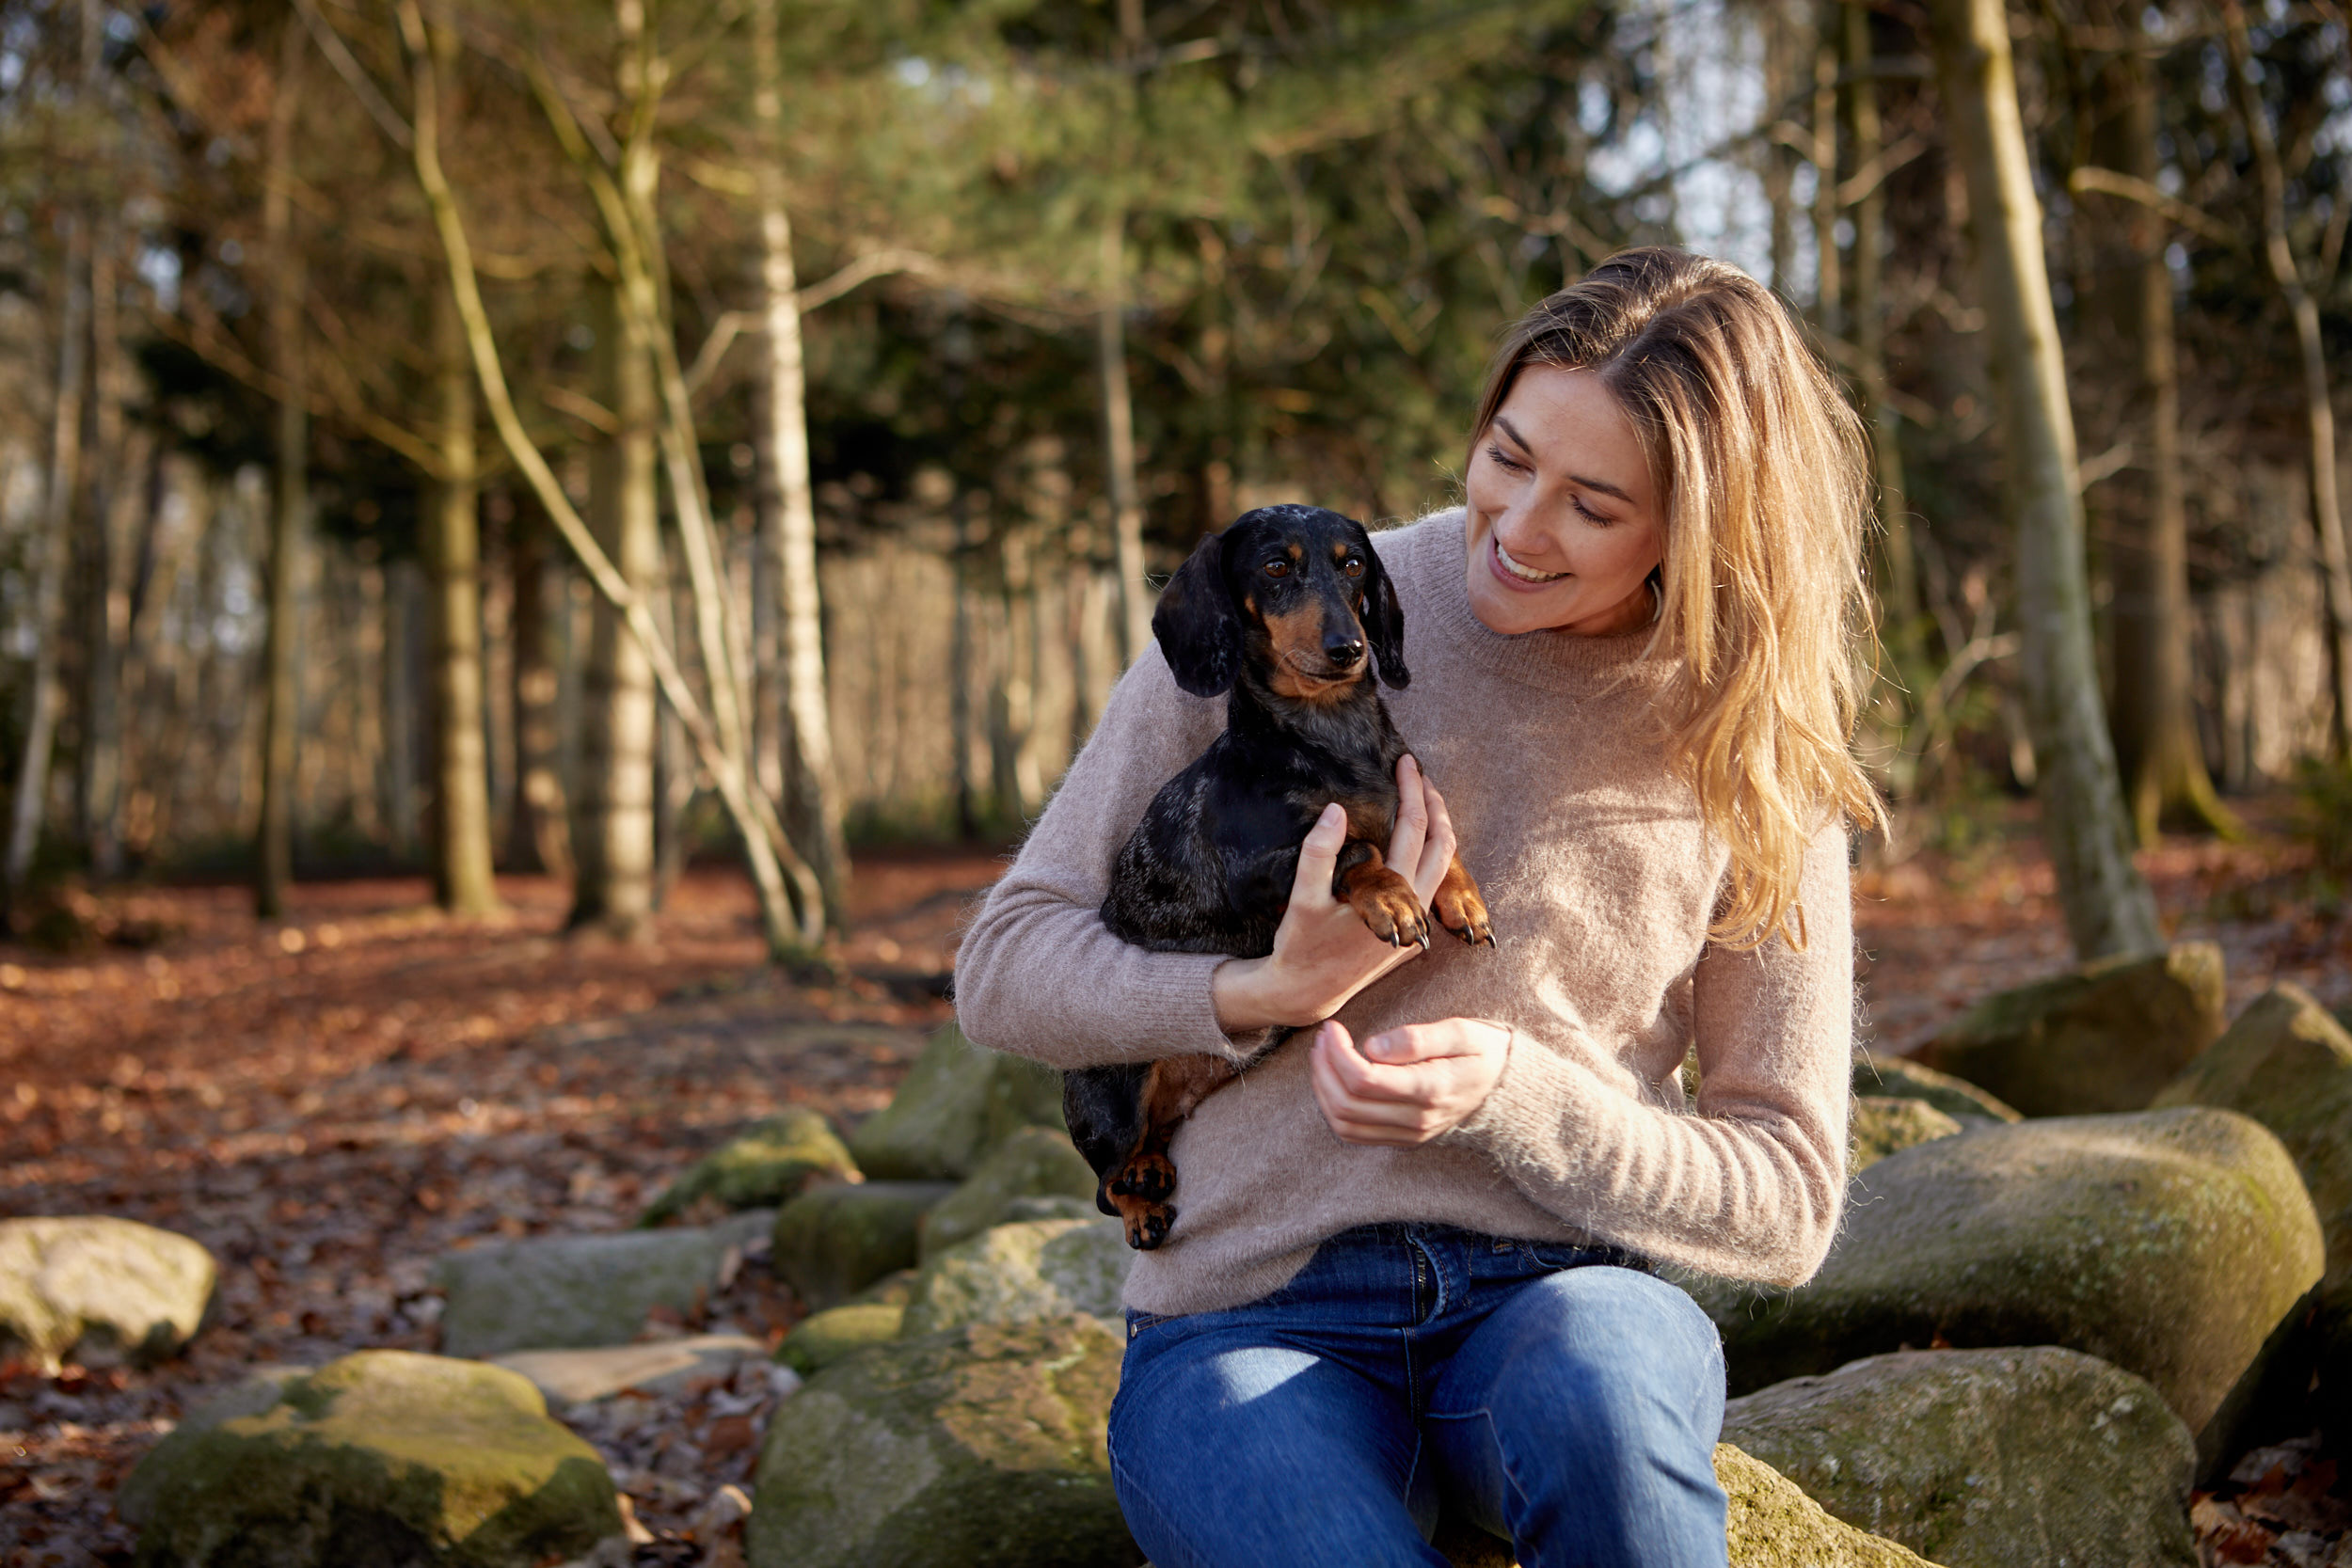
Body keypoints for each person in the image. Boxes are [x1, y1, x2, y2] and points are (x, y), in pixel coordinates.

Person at [953, 246, 1884, 1568]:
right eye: (1507, 455)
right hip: (1247, 1320)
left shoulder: (1750, 743)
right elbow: (1003, 963)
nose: (1515, 526)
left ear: (1706, 528)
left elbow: (1785, 1199)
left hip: (1562, 1299)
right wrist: (1252, 996)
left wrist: (1519, 1091)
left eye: (1593, 504)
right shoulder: (1287, 600)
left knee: (1608, 1405)